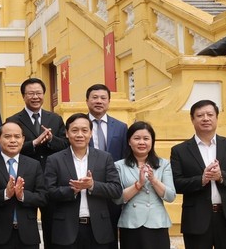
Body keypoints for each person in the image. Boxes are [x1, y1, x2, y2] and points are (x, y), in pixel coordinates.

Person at [171, 99, 226, 249]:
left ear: (216, 117)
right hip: (196, 219)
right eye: (200, 115)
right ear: (192, 119)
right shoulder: (180, 150)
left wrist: (222, 176)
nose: (205, 118)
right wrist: (201, 180)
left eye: (210, 114)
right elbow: (176, 184)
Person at [44, 113, 122, 249]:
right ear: (67, 134)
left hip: (98, 229)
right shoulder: (54, 160)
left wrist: (92, 185)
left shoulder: (104, 158)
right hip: (66, 230)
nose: (80, 134)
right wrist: (72, 190)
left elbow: (116, 189)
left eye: (84, 130)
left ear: (91, 133)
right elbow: (48, 192)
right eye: (74, 130)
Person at [6, 78, 67, 248]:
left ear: (44, 95)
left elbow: (65, 145)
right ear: (23, 96)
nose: (35, 97)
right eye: (31, 93)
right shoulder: (13, 120)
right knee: (26, 223)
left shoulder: (55, 118)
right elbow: (8, 148)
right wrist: (34, 143)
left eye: (39, 93)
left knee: (52, 224)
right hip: (24, 179)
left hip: (51, 178)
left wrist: (50, 140)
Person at [0, 120, 46, 249]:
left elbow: (43, 197)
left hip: (27, 236)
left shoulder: (34, 165)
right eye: (7, 136)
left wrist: (22, 195)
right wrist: (5, 194)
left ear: (23, 139)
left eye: (17, 137)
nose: (13, 140)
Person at [114, 121, 175, 249]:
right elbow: (117, 198)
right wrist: (139, 184)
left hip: (157, 223)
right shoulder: (119, 166)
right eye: (137, 138)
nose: (142, 142)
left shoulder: (164, 164)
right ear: (129, 141)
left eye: (146, 138)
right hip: (131, 224)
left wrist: (154, 180)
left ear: (152, 141)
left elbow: (170, 196)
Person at [85, 83, 128, 247]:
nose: (99, 101)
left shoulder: (121, 127)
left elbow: (125, 156)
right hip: (84, 185)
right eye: (94, 97)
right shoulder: (79, 125)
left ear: (109, 101)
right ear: (87, 101)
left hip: (111, 188)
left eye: (103, 98)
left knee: (109, 236)